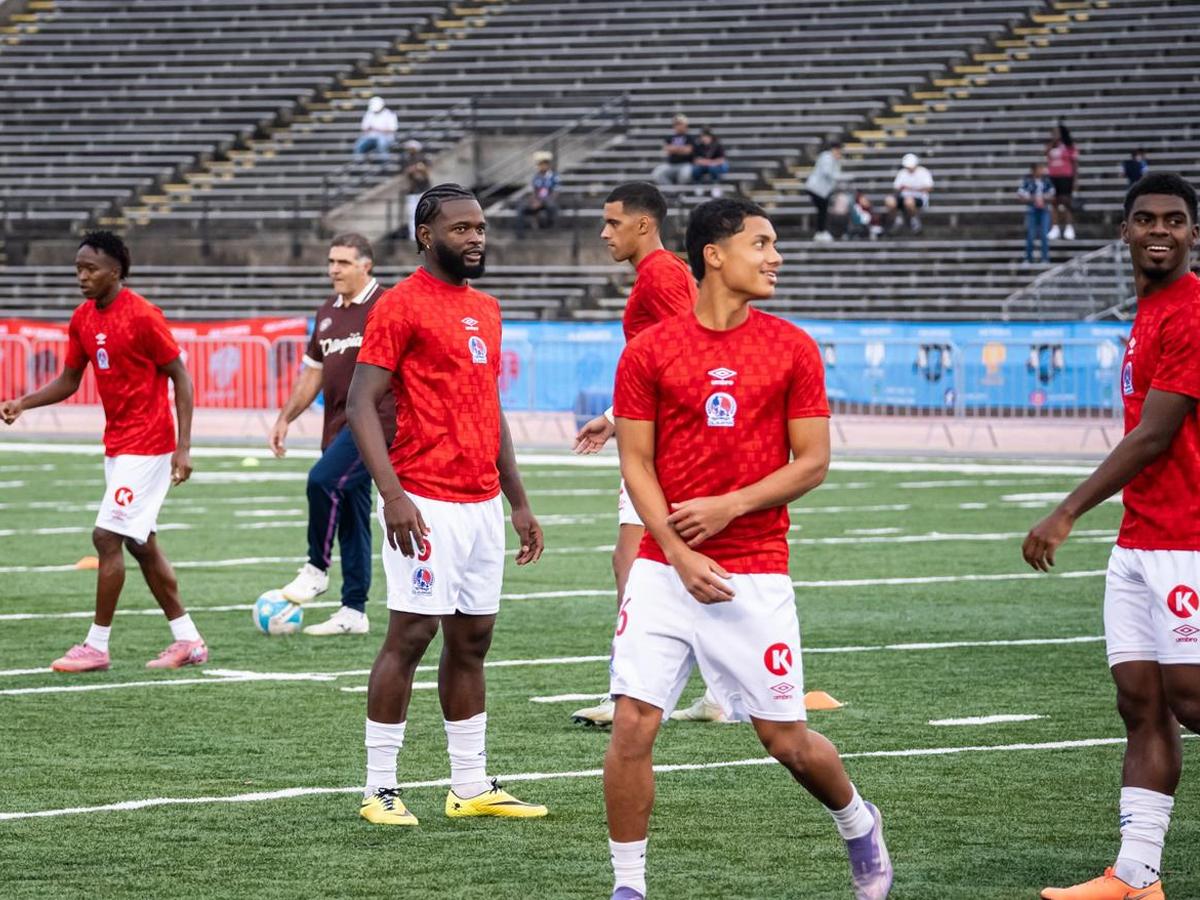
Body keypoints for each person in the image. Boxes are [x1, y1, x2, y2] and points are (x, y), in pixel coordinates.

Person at [602, 198, 892, 900]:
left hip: (755, 572)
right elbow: (635, 464)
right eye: (761, 243)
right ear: (714, 254)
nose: (775, 257)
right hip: (663, 571)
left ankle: (857, 823)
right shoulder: (650, 350)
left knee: (785, 740)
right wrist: (674, 548)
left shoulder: (791, 346)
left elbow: (812, 461)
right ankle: (629, 888)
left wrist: (729, 506)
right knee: (633, 724)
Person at [1023, 173, 1200, 900]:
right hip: (1139, 544)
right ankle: (1135, 876)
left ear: (1192, 233)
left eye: (1176, 220)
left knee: (1191, 699)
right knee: (1141, 705)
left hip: (1189, 538)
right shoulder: (1149, 310)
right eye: (1145, 218)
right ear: (1125, 232)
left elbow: (1155, 435)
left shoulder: (1191, 312)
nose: (1160, 229)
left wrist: (1066, 510)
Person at [346, 183, 547, 826]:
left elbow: (492, 412)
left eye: (481, 228)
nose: (476, 238)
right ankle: (380, 787)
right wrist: (394, 494)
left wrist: (518, 501)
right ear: (427, 236)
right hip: (423, 500)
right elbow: (359, 404)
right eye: (461, 229)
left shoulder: (486, 308)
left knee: (474, 640)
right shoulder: (400, 306)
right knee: (411, 634)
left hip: (482, 503)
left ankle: (469, 785)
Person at [0, 232, 205, 672]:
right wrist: (24, 403)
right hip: (117, 445)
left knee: (106, 536)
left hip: (150, 444)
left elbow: (181, 378)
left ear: (116, 270)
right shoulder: (82, 319)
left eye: (90, 268)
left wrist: (183, 447)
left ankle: (96, 645)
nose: (82, 276)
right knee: (140, 544)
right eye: (78, 268)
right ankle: (188, 641)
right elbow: (70, 379)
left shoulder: (144, 316)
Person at [572, 181, 726, 727]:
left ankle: (629, 693)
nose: (603, 232)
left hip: (661, 444)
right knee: (663, 561)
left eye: (613, 222)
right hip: (657, 433)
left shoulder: (660, 274)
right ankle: (719, 693)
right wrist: (616, 417)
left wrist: (644, 425)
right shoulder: (660, 274)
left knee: (633, 563)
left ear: (644, 224)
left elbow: (687, 348)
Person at [269, 234, 395, 636]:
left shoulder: (386, 306)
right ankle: (354, 613)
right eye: (330, 262)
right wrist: (285, 418)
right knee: (354, 520)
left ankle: (316, 568)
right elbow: (313, 374)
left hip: (377, 422)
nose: (333, 270)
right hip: (338, 426)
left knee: (322, 481)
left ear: (366, 265)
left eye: (342, 262)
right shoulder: (327, 313)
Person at [884, 152, 933, 234]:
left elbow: (929, 188)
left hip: (919, 197)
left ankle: (915, 222)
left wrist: (912, 189)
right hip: (904, 197)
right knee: (889, 200)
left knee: (909, 201)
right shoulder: (902, 173)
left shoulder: (924, 172)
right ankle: (896, 220)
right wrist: (902, 189)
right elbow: (896, 188)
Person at [1046, 123, 1079, 240]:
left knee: (1066, 203)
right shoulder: (1051, 146)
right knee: (1053, 202)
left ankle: (1069, 228)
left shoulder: (1069, 146)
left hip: (1066, 176)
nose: (1054, 134)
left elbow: (1075, 164)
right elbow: (1047, 156)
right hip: (1052, 177)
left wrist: (1075, 181)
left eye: (1056, 132)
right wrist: (1052, 144)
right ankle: (1054, 228)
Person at [804, 141, 843, 242]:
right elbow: (828, 172)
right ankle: (821, 232)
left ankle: (821, 231)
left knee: (823, 211)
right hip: (817, 189)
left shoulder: (833, 159)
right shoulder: (827, 157)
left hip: (822, 191)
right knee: (822, 210)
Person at [515, 151, 560, 236]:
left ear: (548, 165)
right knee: (521, 208)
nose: (541, 166)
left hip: (548, 201)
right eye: (539, 164)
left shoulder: (554, 176)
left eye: (543, 164)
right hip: (537, 201)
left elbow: (555, 192)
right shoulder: (536, 177)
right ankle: (520, 234)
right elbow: (534, 191)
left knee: (551, 206)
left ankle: (549, 228)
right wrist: (534, 201)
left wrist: (542, 202)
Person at [1018, 162, 1055, 264]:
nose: (1041, 171)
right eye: (1039, 169)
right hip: (1032, 210)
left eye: (1042, 168)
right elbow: (1020, 195)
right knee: (1031, 235)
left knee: (1044, 234)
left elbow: (1052, 195)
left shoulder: (1047, 181)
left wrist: (1043, 199)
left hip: (1044, 210)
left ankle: (1045, 258)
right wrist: (1034, 198)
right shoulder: (1027, 181)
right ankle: (1028, 258)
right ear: (1033, 170)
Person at [400, 140, 431, 240]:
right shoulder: (406, 160)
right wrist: (415, 168)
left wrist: (420, 169)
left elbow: (426, 172)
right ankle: (414, 236)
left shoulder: (423, 159)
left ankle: (426, 235)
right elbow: (406, 171)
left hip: (423, 189)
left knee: (425, 213)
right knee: (412, 214)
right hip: (412, 191)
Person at [651, 114, 695, 185]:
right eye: (676, 124)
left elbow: (688, 151)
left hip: (685, 164)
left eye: (680, 124)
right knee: (657, 174)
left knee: (685, 174)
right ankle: (671, 191)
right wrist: (681, 149)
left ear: (685, 125)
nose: (678, 126)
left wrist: (674, 149)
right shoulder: (670, 137)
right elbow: (667, 150)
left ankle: (680, 191)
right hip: (671, 164)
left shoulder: (690, 137)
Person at [354, 96, 398, 163]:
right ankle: (358, 163)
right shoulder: (369, 113)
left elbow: (392, 129)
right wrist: (369, 129)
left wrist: (378, 129)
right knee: (359, 145)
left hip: (385, 137)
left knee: (382, 143)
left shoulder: (389, 114)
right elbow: (364, 128)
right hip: (370, 137)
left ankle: (385, 162)